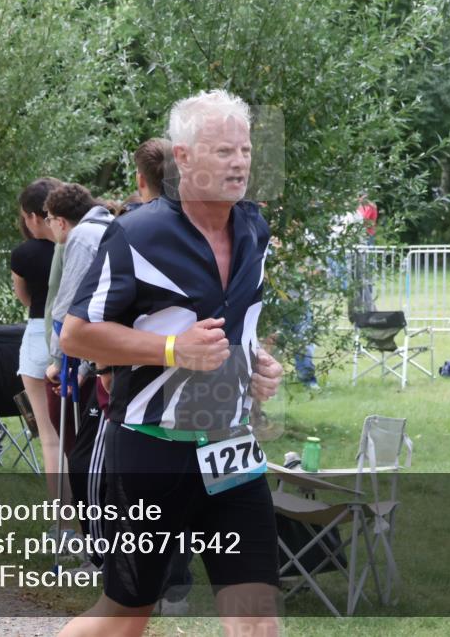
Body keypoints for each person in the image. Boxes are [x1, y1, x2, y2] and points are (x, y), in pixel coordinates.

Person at [59, 89, 284, 636]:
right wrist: (169, 350)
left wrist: (260, 364)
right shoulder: (137, 234)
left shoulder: (254, 229)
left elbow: (240, 322)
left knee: (258, 620)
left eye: (245, 150)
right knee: (125, 619)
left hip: (231, 450)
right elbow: (76, 335)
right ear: (182, 158)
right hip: (151, 455)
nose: (239, 163)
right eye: (223, 151)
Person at [43, 183, 114, 445]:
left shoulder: (82, 236)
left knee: (81, 442)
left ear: (60, 221)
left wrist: (59, 361)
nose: (49, 225)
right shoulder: (106, 225)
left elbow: (70, 302)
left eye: (48, 219)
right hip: (101, 350)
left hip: (101, 348)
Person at [12, 177, 61, 502]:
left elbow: (25, 298)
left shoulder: (23, 254)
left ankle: (65, 521)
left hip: (37, 334)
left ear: (31, 216)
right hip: (76, 335)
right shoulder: (77, 244)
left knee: (49, 435)